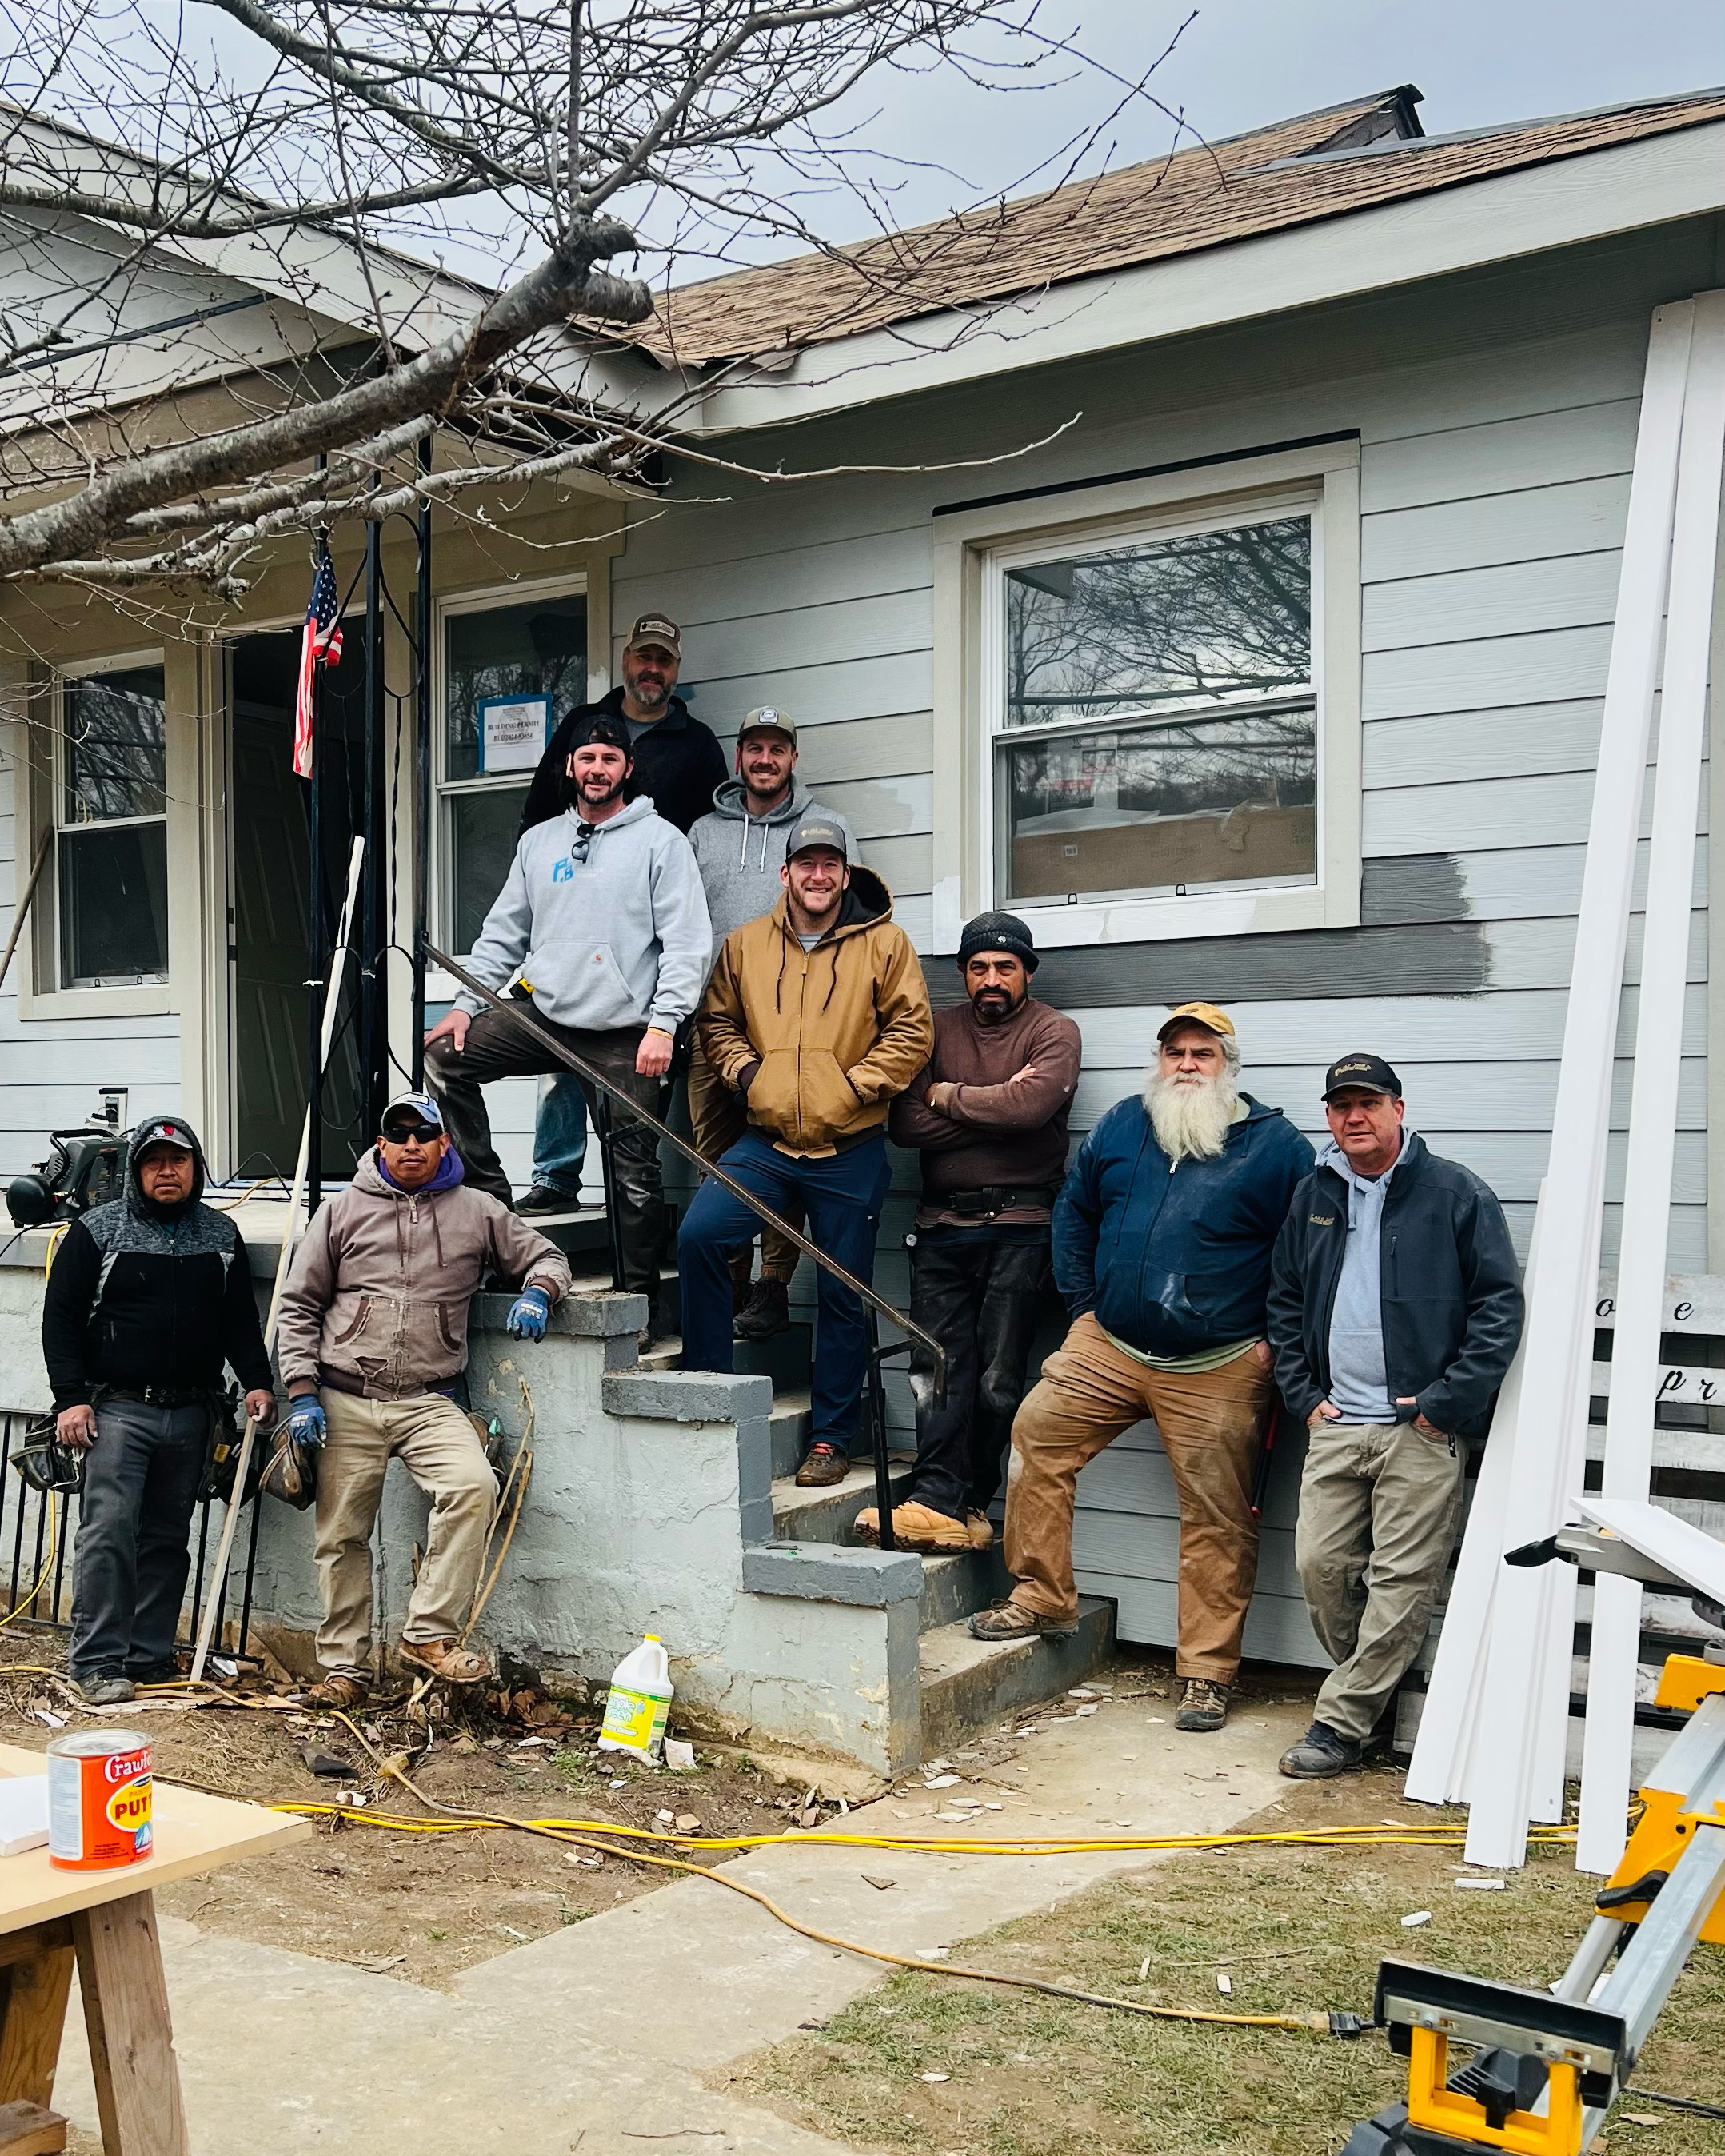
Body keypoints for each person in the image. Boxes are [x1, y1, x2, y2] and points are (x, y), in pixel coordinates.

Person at [974, 1004, 1313, 1738]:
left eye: (1203, 1053)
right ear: (1158, 1061)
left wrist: (1272, 1344)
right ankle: (1042, 1598)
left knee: (1216, 1515)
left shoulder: (1275, 1146)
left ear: (1229, 1064)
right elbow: (1074, 1212)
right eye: (1174, 1052)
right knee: (1035, 1437)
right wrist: (1084, 1308)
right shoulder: (1125, 1123)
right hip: (1112, 1343)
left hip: (1218, 1360)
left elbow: (1308, 1258)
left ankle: (1205, 1673)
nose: (1187, 1065)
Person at [1267, 1055, 1523, 1778]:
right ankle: (1369, 1698)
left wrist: (1444, 1405)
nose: (1355, 1117)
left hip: (1420, 1428)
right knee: (1320, 1567)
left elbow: (1498, 1307)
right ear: (1328, 1117)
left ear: (1398, 1109)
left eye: (1369, 1103)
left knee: (1401, 1579)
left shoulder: (1453, 1193)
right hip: (1337, 1421)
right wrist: (1303, 1395)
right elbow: (1284, 1299)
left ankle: (1341, 1725)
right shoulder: (1313, 1194)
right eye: (1341, 1105)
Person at [274, 1093, 572, 1708]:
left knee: (473, 1488)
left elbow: (547, 1255)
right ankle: (343, 1673)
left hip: (429, 1401)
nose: (411, 1144)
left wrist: (539, 1292)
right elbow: (298, 1306)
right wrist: (301, 1393)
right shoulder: (340, 1211)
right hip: (344, 1397)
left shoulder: (478, 1211)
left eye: (424, 1133)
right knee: (340, 1538)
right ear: (381, 1145)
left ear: (444, 1143)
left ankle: (426, 1636)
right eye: (398, 1134)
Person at [425, 714, 709, 1338]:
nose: (597, 769)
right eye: (588, 759)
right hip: (545, 1014)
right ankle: (494, 1209)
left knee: (634, 1169)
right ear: (570, 768)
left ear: (627, 768)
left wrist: (664, 1025)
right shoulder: (541, 843)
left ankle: (635, 1307)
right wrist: (464, 1007)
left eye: (610, 758)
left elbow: (688, 944)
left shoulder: (661, 841)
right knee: (447, 1058)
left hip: (625, 1030)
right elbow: (502, 936)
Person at [680, 810, 932, 1486]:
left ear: (845, 874)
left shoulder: (885, 944)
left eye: (830, 865)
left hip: (849, 1147)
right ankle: (709, 1394)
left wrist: (853, 1087)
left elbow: (910, 1031)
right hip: (764, 1144)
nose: (817, 876)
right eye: (806, 863)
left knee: (841, 1293)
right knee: (702, 1236)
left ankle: (830, 1439)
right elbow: (718, 1022)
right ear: (785, 872)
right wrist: (747, 1075)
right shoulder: (745, 945)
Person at [858, 912, 1080, 1552]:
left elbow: (1033, 1108)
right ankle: (934, 1498)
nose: (991, 979)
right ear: (963, 973)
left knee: (997, 1379)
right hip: (940, 1224)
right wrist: (995, 1107)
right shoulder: (934, 1028)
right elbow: (904, 1122)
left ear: (1026, 973)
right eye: (978, 967)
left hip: (1021, 1227)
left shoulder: (1052, 1029)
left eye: (1005, 968)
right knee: (935, 1368)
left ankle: (971, 1505)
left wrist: (946, 1096)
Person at [41, 1115, 274, 1707]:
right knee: (107, 1537)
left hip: (192, 1412)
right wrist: (69, 1398)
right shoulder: (97, 1230)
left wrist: (257, 1382)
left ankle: (147, 1657)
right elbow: (61, 1321)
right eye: (153, 1161)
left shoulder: (220, 1235)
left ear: (196, 1169)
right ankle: (96, 1662)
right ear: (136, 1172)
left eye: (178, 1160)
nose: (166, 1171)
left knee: (169, 1539)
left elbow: (239, 1322)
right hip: (116, 1411)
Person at [514, 613, 727, 1215]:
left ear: (675, 670)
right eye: (642, 657)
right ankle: (555, 1177)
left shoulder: (697, 743)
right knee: (558, 1053)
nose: (650, 669)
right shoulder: (582, 727)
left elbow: (708, 831)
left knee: (641, 1066)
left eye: (662, 660)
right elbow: (537, 813)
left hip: (650, 926)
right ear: (626, 659)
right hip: (571, 920)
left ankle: (628, 1195)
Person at [686, 707, 857, 1342]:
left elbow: (850, 917)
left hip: (793, 1025)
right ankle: (726, 1280)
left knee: (783, 1152)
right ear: (739, 758)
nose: (765, 759)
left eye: (777, 748)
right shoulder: (702, 832)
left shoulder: (827, 828)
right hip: (713, 1019)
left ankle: (771, 1285)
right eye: (753, 747)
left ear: (793, 757)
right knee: (714, 1158)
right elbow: (677, 920)